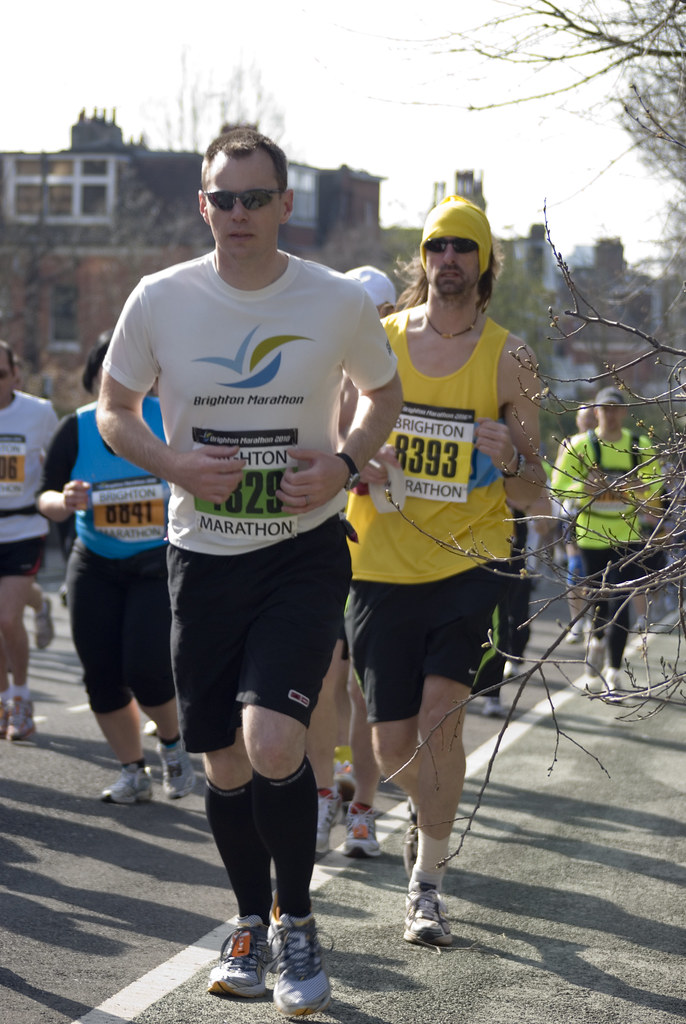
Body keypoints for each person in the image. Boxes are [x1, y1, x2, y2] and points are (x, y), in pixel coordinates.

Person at [96, 127, 402, 1016]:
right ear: (204, 206)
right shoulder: (161, 298)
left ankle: (295, 921)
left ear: (284, 206)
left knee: (274, 741)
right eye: (222, 199)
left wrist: (344, 464)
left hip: (302, 551)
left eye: (255, 198)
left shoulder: (337, 300)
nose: (238, 214)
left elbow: (383, 393)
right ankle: (245, 919)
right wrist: (174, 465)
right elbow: (115, 408)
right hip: (201, 555)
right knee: (223, 763)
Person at [345, 194, 545, 947]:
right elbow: (341, 445)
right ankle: (425, 817)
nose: (449, 259)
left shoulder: (510, 357)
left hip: (474, 564)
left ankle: (427, 881)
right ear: (422, 259)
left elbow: (537, 491)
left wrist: (510, 458)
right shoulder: (378, 341)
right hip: (382, 565)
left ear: (484, 262)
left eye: (464, 246)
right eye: (437, 247)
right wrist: (365, 457)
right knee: (395, 745)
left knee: (441, 721)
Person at [38, 335, 195, 803]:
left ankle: (171, 746)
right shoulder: (78, 427)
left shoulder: (168, 419)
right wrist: (64, 501)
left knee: (147, 669)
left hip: (156, 560)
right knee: (101, 675)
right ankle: (132, 771)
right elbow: (45, 497)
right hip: (95, 562)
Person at [308, 265, 397, 859]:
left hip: (386, 558)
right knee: (321, 684)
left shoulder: (399, 377)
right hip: (324, 549)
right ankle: (321, 799)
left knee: (364, 695)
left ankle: (362, 807)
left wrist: (389, 462)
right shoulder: (315, 374)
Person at [551, 386, 662, 694]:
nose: (610, 415)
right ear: (596, 412)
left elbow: (657, 490)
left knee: (620, 600)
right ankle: (596, 640)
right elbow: (558, 488)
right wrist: (583, 488)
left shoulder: (639, 446)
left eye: (616, 409)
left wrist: (640, 487)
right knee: (599, 596)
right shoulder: (580, 446)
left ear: (624, 412)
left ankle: (613, 671)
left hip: (627, 536)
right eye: (605, 409)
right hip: (591, 535)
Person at [0, 340, 58, 741]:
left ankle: (20, 700)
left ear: (15, 374)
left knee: (5, 617)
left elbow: (58, 465)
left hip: (23, 528)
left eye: (0, 375)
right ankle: (3, 698)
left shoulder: (38, 413)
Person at [560, 404, 596, 644]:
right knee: (575, 568)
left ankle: (597, 622)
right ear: (578, 421)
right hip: (573, 512)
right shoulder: (569, 444)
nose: (589, 424)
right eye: (585, 419)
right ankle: (576, 621)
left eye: (592, 419)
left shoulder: (606, 444)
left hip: (603, 515)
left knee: (597, 571)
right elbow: (558, 479)